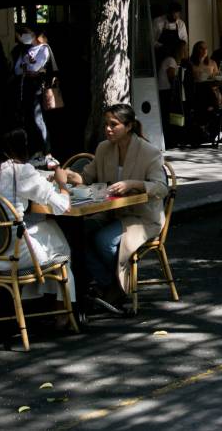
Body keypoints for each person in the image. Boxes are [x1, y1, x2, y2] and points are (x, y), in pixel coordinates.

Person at [65, 104, 168, 310]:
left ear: (128, 126)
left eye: (114, 125)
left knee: (103, 240)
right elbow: (87, 177)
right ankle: (110, 282)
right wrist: (66, 174)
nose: (108, 129)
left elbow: (162, 188)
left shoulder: (149, 152)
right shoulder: (104, 148)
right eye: (106, 125)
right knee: (76, 234)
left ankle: (119, 285)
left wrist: (134, 184)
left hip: (142, 216)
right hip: (111, 213)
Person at [0, 129, 75, 328]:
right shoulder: (22, 172)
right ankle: (63, 309)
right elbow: (63, 206)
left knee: (48, 231)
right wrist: (62, 184)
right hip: (16, 256)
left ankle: (35, 300)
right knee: (59, 245)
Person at [13, 26, 57, 168]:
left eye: (27, 33)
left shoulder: (43, 48)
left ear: (34, 35)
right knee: (29, 121)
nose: (23, 36)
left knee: (39, 120)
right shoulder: (22, 50)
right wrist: (27, 68)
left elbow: (36, 68)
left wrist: (28, 69)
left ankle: (46, 152)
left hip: (38, 89)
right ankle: (35, 152)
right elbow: (17, 69)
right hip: (24, 89)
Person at [157, 40, 188, 148]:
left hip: (164, 90)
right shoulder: (171, 61)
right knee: (168, 116)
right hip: (166, 91)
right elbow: (172, 77)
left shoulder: (169, 60)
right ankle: (170, 140)